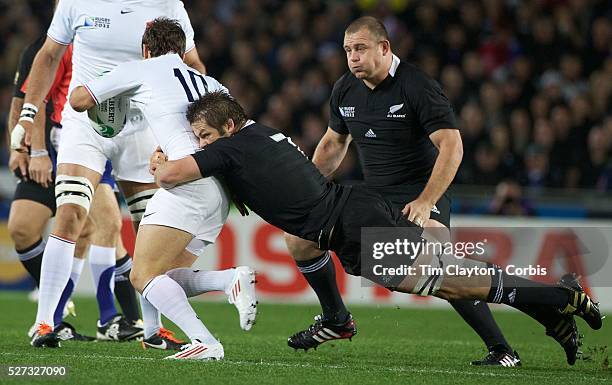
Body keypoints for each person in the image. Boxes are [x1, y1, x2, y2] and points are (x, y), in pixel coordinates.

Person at [150, 90, 602, 362]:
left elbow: (170, 176)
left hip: (353, 223)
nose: (202, 145)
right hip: (344, 217)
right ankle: (337, 318)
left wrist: (158, 160)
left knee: (452, 285)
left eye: (205, 136)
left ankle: (559, 297)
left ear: (228, 125)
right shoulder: (258, 134)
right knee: (299, 243)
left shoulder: (232, 148)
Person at [284, 16, 582, 366]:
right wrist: (310, 189)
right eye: (348, 50)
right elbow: (334, 143)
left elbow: (452, 147)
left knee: (443, 271)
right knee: (298, 236)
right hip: (376, 199)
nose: (353, 57)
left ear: (384, 48)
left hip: (424, 194)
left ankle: (508, 343)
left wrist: (426, 201)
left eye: (360, 49)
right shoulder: (345, 89)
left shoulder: (417, 86)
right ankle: (336, 318)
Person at [12, 0, 206, 349]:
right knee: (70, 212)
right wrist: (28, 114)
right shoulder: (75, 2)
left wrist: (187, 126)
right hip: (84, 122)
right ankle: (44, 323)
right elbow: (48, 55)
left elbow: (191, 64)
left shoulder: (169, 5)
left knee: (150, 229)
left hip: (140, 127)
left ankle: (152, 329)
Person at [69, 17, 257, 359]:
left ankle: (205, 341)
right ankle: (220, 286)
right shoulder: (211, 82)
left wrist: (110, 86)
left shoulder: (143, 69)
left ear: (145, 49)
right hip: (221, 190)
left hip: (186, 183)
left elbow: (79, 100)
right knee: (166, 276)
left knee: (143, 275)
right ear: (183, 50)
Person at [7, 32, 141, 342]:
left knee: (103, 224)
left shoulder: (107, 40)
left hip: (93, 147)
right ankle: (56, 312)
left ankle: (105, 318)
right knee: (26, 228)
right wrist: (30, 151)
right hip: (54, 150)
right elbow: (30, 101)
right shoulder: (46, 49)